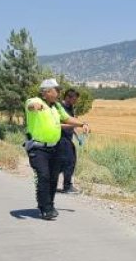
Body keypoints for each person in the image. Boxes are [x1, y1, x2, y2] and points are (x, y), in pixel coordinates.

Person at [24, 79, 88, 220]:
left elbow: (66, 119)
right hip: (38, 147)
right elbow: (31, 106)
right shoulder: (35, 101)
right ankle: (45, 208)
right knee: (44, 176)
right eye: (56, 90)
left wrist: (82, 124)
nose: (59, 92)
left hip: (54, 147)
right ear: (47, 92)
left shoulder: (56, 106)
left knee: (53, 178)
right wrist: (35, 107)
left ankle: (49, 205)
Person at [57, 88, 85, 194]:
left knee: (61, 163)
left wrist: (78, 137)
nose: (75, 101)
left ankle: (48, 182)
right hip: (60, 139)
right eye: (74, 99)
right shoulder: (60, 108)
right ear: (67, 97)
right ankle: (67, 186)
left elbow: (71, 125)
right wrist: (76, 124)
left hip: (68, 139)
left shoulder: (70, 107)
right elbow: (58, 125)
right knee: (70, 161)